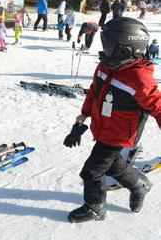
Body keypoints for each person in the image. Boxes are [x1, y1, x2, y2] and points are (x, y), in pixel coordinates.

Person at [66, 17, 161, 223]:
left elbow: (158, 106)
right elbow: (94, 91)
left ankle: (95, 207)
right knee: (113, 165)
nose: (105, 48)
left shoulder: (139, 78)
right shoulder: (105, 66)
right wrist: (84, 114)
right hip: (102, 127)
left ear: (126, 48)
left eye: (109, 44)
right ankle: (139, 184)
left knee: (91, 171)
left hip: (119, 134)